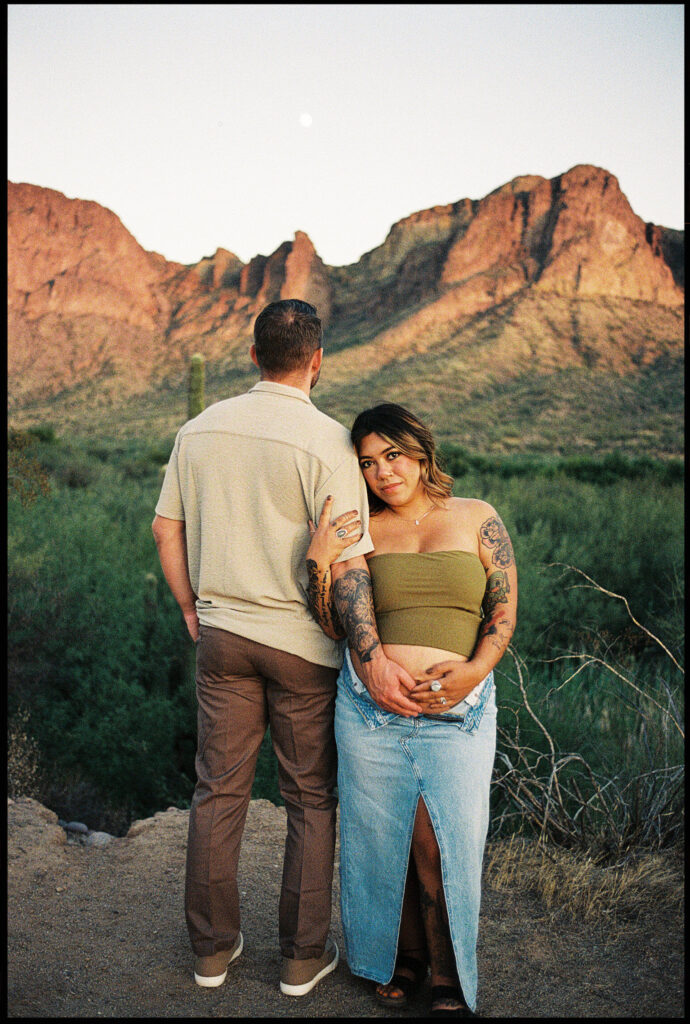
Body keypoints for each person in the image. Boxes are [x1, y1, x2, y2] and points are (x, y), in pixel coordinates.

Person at [151, 300, 413, 997]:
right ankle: (300, 959)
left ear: (252, 355)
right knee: (309, 799)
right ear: (317, 360)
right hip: (302, 648)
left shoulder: (197, 430)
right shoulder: (328, 442)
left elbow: (164, 530)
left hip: (224, 636)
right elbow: (349, 563)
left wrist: (189, 606)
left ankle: (210, 952)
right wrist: (371, 653)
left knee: (218, 791)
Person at [305, 403, 518, 1017]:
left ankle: (448, 969)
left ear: (420, 452)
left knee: (439, 839)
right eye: (368, 463)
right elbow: (333, 621)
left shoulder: (478, 518)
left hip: (459, 710)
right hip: (373, 710)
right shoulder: (362, 529)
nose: (382, 472)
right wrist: (321, 555)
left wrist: (475, 671)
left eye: (392, 455)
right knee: (382, 838)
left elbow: (502, 614)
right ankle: (404, 957)